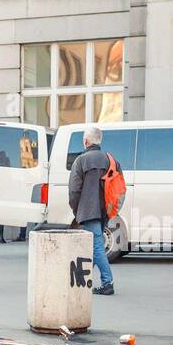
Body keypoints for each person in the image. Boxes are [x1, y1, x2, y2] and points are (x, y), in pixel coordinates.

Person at [68, 125, 115, 295]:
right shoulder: (110, 159)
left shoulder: (81, 160)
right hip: (105, 211)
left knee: (96, 246)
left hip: (88, 210)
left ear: (86, 141)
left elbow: (74, 190)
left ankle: (107, 282)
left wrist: (76, 210)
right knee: (95, 244)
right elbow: (119, 188)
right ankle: (81, 277)